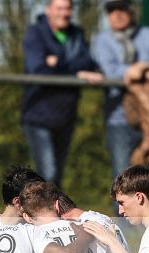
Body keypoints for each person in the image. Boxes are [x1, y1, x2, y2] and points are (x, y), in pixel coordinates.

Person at [92, 0, 149, 208]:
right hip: (119, 118)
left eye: (121, 10)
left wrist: (142, 69)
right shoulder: (102, 40)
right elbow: (111, 71)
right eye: (112, 11)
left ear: (131, 12)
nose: (117, 15)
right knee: (122, 177)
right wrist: (139, 72)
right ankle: (124, 225)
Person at [21, 0, 103, 187]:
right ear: (48, 10)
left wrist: (57, 62)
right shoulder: (35, 33)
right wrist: (75, 72)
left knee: (56, 175)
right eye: (59, 8)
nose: (64, 13)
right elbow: (38, 69)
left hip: (66, 115)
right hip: (38, 115)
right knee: (47, 173)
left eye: (68, 8)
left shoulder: (77, 34)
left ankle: (46, 206)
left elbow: (88, 63)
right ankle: (34, 205)